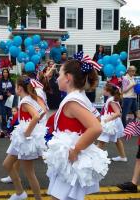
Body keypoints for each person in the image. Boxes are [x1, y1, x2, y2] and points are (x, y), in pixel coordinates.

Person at [43, 55, 110, 200]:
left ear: (68, 77)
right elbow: (97, 118)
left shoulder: (73, 101)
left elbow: (96, 127)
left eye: (59, 74)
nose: (57, 78)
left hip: (71, 161)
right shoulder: (80, 96)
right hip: (68, 160)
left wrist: (76, 149)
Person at [3, 75, 47, 200]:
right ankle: (19, 192)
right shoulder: (30, 98)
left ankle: (38, 198)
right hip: (20, 137)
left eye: (16, 86)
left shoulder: (25, 101)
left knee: (30, 174)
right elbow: (43, 110)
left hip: (26, 139)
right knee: (7, 164)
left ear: (19, 88)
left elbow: (37, 116)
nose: (14, 88)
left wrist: (28, 132)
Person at [97, 83, 127, 162]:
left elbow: (118, 113)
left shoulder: (111, 100)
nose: (103, 90)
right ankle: (123, 156)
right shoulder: (111, 99)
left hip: (110, 123)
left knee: (102, 140)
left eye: (104, 89)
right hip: (113, 121)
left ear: (108, 91)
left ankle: (94, 158)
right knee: (117, 139)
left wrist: (107, 120)